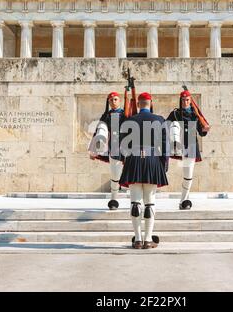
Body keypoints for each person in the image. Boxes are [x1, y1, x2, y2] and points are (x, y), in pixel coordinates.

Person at [119, 92, 169, 249]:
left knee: (135, 203)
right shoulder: (159, 120)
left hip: (134, 160)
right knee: (150, 203)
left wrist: (126, 161)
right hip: (152, 159)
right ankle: (148, 240)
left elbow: (121, 145)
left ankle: (138, 240)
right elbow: (165, 146)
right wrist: (163, 164)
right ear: (150, 103)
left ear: (138, 104)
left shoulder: (130, 120)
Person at [167, 90, 210, 210]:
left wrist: (205, 129)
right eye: (183, 100)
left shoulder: (195, 115)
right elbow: (165, 126)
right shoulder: (175, 113)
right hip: (178, 145)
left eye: (187, 100)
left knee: (188, 176)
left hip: (190, 145)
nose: (185, 102)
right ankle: (185, 200)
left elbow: (201, 133)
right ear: (180, 101)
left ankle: (183, 200)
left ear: (190, 101)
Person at [89, 92, 126, 210]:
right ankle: (114, 199)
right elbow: (99, 132)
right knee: (115, 176)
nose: (113, 102)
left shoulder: (127, 113)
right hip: (114, 149)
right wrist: (94, 150)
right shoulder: (106, 116)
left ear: (119, 100)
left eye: (115, 99)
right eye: (111, 100)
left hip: (128, 149)